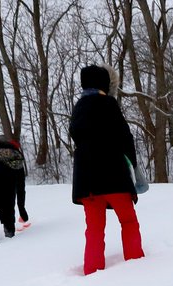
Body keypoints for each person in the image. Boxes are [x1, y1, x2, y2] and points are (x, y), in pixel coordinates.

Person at [70, 64, 144, 275]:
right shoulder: (108, 104)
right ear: (104, 83)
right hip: (114, 177)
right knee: (128, 221)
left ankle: (92, 271)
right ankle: (137, 264)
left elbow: (77, 137)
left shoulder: (78, 108)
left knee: (94, 229)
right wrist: (133, 164)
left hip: (87, 182)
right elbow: (125, 136)